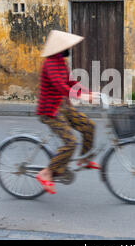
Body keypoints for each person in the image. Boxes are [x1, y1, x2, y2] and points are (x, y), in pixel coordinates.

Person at [35, 30, 100, 194]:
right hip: (50, 110)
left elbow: (71, 82)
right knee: (71, 142)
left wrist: (88, 92)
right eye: (66, 46)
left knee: (89, 126)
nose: (69, 49)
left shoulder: (61, 62)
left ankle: (85, 159)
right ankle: (46, 172)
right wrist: (84, 97)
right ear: (59, 48)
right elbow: (61, 87)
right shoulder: (50, 64)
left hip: (64, 107)